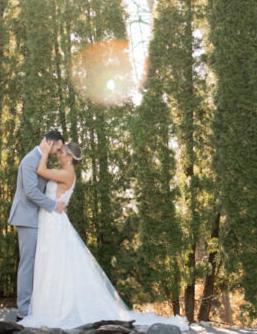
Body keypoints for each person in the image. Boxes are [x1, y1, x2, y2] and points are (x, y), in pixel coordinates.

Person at [19, 140, 188, 331]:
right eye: (57, 151)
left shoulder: (66, 173)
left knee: (55, 265)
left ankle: (55, 309)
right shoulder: (65, 172)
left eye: (61, 152)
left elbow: (41, 170)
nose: (57, 154)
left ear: (69, 157)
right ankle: (48, 306)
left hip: (53, 223)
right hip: (51, 221)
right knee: (52, 265)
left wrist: (45, 149)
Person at [9, 130, 67, 319]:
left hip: (38, 218)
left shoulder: (42, 160)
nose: (58, 151)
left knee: (38, 263)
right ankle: (24, 311)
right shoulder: (29, 160)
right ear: (50, 142)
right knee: (28, 263)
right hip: (26, 218)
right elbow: (31, 192)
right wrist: (53, 206)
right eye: (58, 147)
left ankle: (35, 306)